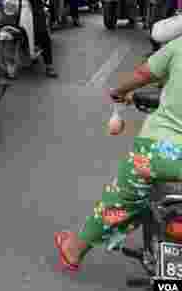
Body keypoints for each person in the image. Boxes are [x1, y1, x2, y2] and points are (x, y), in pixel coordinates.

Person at [55, 40, 182, 272]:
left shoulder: (178, 47)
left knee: (120, 202)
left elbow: (143, 74)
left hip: (159, 153)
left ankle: (74, 250)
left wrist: (119, 91)